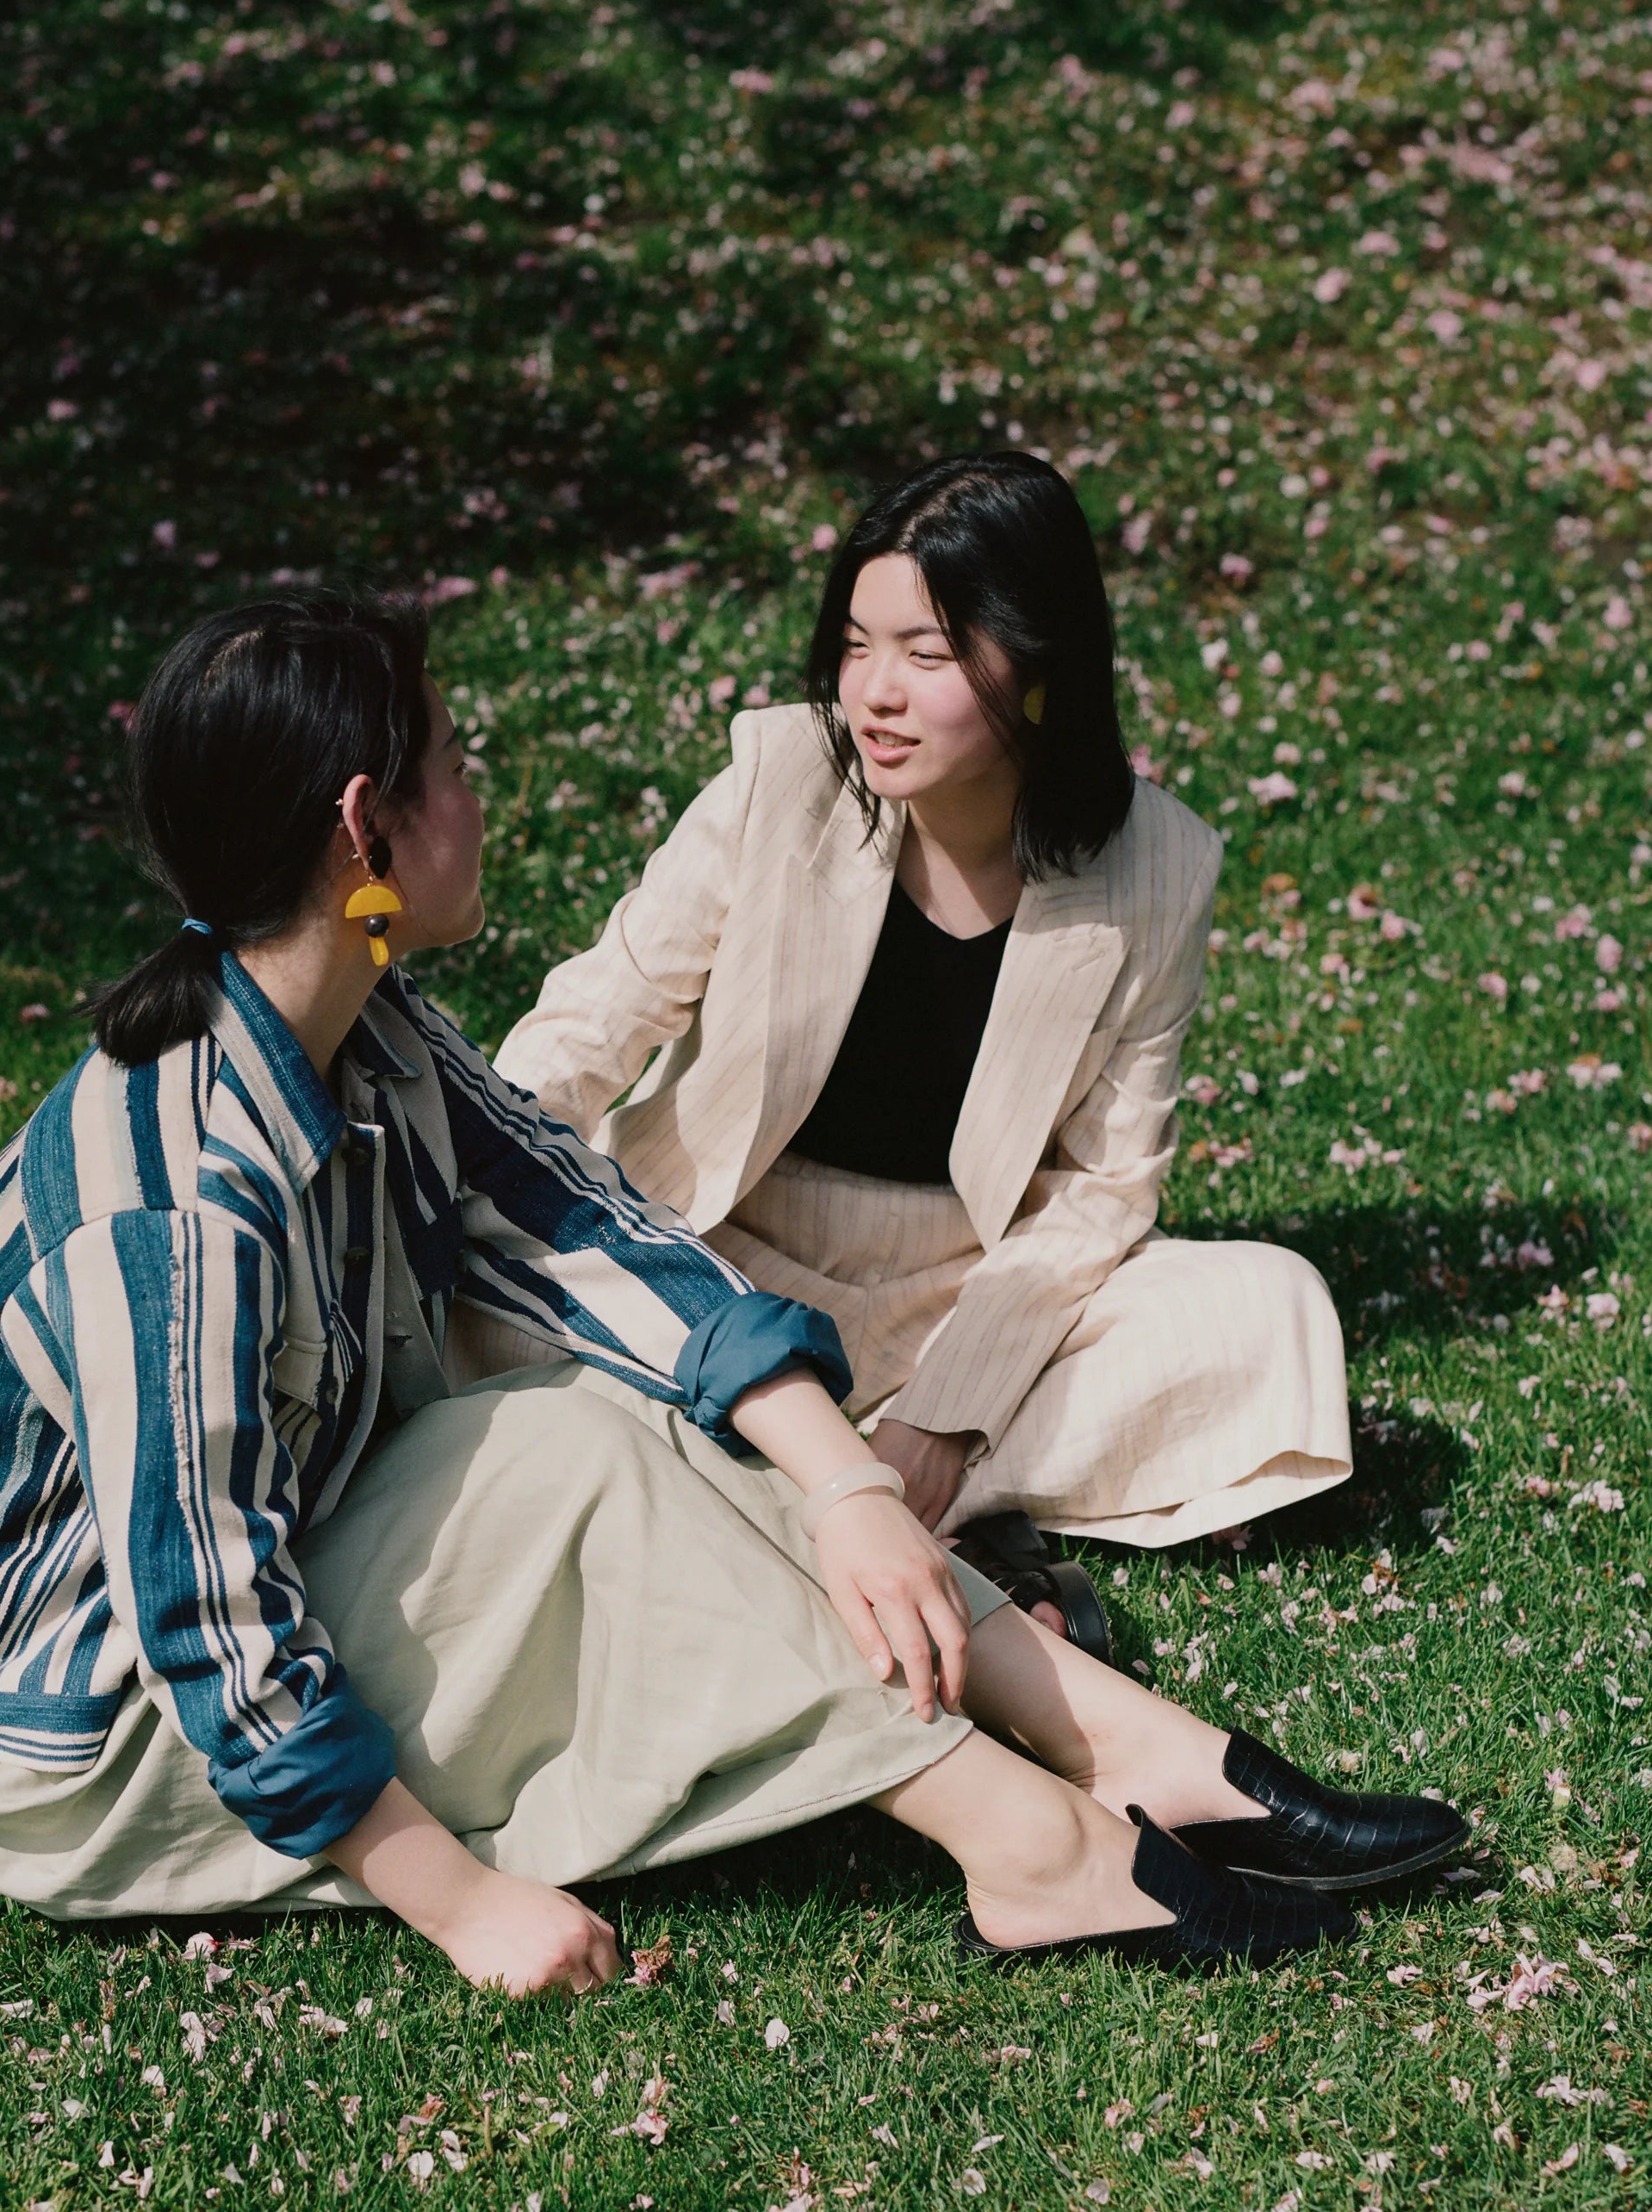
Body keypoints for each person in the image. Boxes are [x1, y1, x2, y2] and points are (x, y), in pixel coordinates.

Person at [0, 589, 1458, 1999]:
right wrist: (465, 1906)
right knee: (582, 1457)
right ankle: (1030, 1840)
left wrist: (849, 1485)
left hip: (297, 1537)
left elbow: (592, 1230)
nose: (479, 796)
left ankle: (1117, 1741)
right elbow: (210, 1628)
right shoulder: (169, 1205)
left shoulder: (362, 1027)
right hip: (85, 1736)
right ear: (366, 828)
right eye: (453, 763)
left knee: (640, 1408)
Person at [490, 452, 1354, 1650]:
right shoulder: (780, 776)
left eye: (927, 655)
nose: (875, 695)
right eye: (857, 646)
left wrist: (950, 1409)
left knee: (1268, 1312)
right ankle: (893, 1503)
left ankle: (818, 1482)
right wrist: (477, 1165)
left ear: (1037, 665)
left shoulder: (1158, 864)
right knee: (502, 1299)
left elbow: (1103, 1188)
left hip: (964, 1288)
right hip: (722, 1255)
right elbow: (602, 1014)